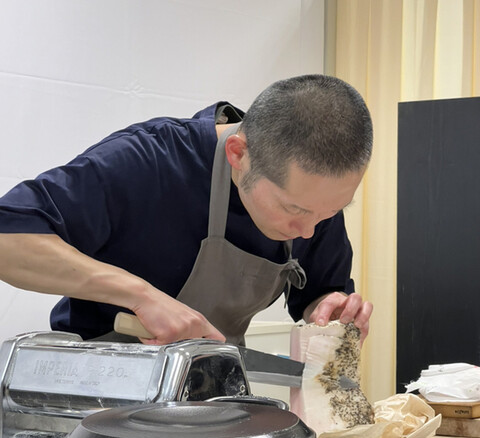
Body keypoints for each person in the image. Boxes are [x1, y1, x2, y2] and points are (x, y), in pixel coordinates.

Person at [0, 74, 373, 346]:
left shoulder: (313, 199)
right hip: (99, 397)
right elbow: (8, 238)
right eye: (292, 209)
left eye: (330, 212)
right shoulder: (150, 161)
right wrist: (139, 295)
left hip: (215, 397)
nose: (308, 231)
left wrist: (329, 309)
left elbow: (319, 291)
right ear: (238, 154)